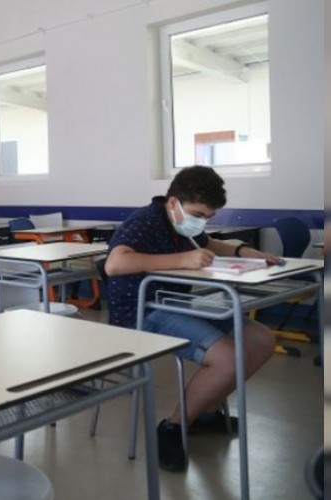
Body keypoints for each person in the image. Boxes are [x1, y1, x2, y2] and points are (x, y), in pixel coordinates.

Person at [103, 165, 281, 472]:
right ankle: (172, 427)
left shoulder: (183, 223)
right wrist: (181, 260)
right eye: (198, 214)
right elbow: (114, 264)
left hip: (177, 304)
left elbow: (207, 243)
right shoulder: (145, 221)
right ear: (174, 203)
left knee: (262, 340)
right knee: (228, 358)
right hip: (142, 311)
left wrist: (244, 251)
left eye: (208, 217)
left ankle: (204, 412)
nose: (201, 221)